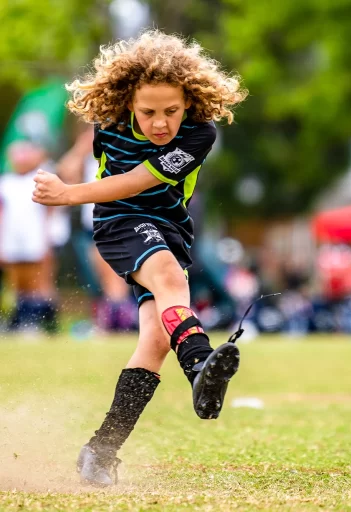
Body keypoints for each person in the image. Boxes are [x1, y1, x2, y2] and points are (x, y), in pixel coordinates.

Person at [31, 30, 248, 486]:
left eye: (171, 111)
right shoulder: (108, 119)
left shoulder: (198, 134)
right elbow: (117, 190)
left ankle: (100, 449)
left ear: (189, 103)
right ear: (129, 103)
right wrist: (70, 177)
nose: (160, 123)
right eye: (148, 112)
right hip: (118, 223)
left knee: (155, 338)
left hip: (169, 227)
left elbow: (138, 180)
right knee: (170, 281)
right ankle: (200, 366)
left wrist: (69, 194)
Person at [57, 125, 136, 332]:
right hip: (91, 225)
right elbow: (65, 172)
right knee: (100, 276)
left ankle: (119, 323)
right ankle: (112, 319)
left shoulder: (116, 151)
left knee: (113, 277)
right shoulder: (88, 157)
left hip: (112, 221)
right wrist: (80, 149)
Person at [0, 140, 57, 332]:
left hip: (35, 238)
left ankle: (40, 320)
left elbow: (48, 215)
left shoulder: (39, 179)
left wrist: (47, 241)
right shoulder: (6, 182)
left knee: (37, 281)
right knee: (17, 282)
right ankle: (19, 319)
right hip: (12, 239)